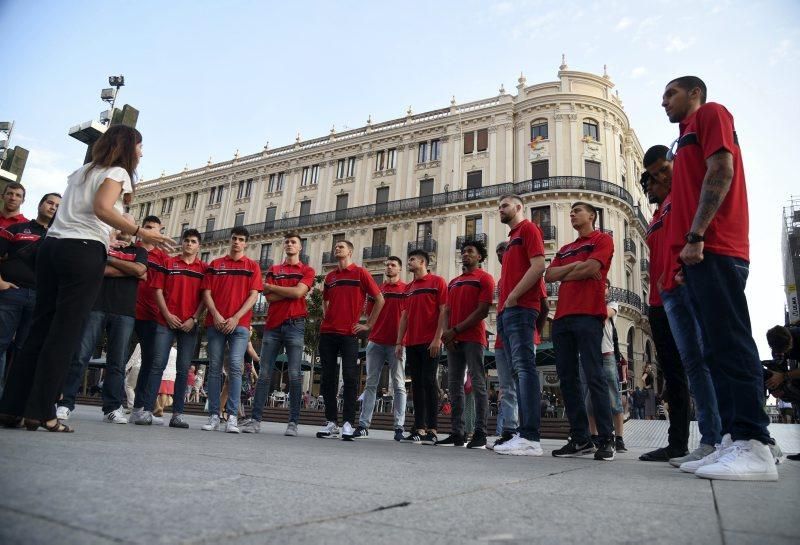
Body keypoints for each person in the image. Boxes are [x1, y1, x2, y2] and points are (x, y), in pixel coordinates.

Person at [0, 125, 173, 432]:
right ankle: (42, 412)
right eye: (140, 147)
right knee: (65, 333)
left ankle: (12, 408)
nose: (142, 153)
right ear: (127, 146)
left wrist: (116, 232)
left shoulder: (81, 172)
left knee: (39, 330)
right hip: (82, 251)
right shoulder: (118, 172)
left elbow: (86, 211)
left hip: (53, 247)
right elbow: (102, 208)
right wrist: (140, 233)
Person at [660, 75, 776, 480]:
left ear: (694, 93)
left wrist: (696, 236)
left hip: (717, 247)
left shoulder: (711, 113)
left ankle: (754, 444)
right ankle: (731, 438)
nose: (664, 103)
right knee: (712, 350)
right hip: (698, 256)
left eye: (670, 94)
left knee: (730, 343)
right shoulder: (684, 136)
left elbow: (721, 170)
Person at [640, 145, 706, 464]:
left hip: (677, 292)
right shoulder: (655, 214)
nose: (650, 187)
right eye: (649, 182)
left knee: (692, 366)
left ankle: (706, 438)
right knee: (674, 374)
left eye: (653, 181)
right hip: (657, 300)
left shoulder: (675, 201)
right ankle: (677, 442)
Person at [57, 219, 148, 424]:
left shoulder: (140, 251)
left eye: (129, 223)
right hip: (95, 306)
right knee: (80, 356)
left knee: (118, 362)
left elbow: (140, 271)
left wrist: (109, 260)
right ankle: (65, 403)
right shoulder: (100, 245)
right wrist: (126, 268)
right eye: (121, 221)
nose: (124, 226)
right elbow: (95, 270)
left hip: (124, 311)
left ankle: (113, 407)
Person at [547, 201, 616, 461]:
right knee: (567, 379)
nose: (572, 214)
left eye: (577, 210)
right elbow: (550, 275)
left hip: (589, 315)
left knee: (595, 376)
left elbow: (593, 268)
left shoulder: (603, 240)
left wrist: (574, 270)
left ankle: (606, 439)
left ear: (592, 216)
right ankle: (580, 439)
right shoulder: (564, 248)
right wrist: (577, 269)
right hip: (562, 318)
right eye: (571, 211)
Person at [242, 232, 315, 436]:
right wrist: (288, 290)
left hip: (295, 324)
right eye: (287, 242)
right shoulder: (274, 269)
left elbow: (298, 293)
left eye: (294, 242)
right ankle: (255, 420)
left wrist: (276, 288)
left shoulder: (307, 270)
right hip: (272, 325)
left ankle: (293, 423)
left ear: (300, 247)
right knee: (264, 374)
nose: (290, 244)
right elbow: (268, 297)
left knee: (294, 375)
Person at [492, 195, 547, 456]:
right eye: (499, 206)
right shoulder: (513, 238)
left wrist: (513, 296)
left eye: (504, 205)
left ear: (518, 207)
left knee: (525, 370)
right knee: (516, 375)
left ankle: (531, 437)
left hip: (521, 308)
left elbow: (539, 266)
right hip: (507, 312)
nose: (500, 209)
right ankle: (520, 434)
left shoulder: (528, 229)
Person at [317, 240, 383, 440]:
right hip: (327, 332)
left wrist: (368, 325)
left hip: (349, 333)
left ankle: (347, 423)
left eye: (341, 247)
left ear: (350, 252)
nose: (337, 249)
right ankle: (331, 422)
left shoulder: (361, 273)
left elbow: (379, 299)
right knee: (327, 378)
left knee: (350, 377)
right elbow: (324, 299)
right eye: (335, 247)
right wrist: (326, 314)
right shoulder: (330, 276)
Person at [142, 228, 207, 429]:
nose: (189, 243)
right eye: (186, 240)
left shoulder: (203, 269)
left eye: (193, 241)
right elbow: (157, 290)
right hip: (165, 321)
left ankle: (177, 414)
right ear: (182, 243)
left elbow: (205, 297)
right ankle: (146, 411)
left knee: (182, 369)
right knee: (157, 365)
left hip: (189, 324)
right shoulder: (168, 263)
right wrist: (167, 315)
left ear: (199, 246)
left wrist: (194, 319)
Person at [200, 227, 263, 434]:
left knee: (236, 367)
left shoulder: (252, 266)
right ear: (230, 241)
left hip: (240, 325)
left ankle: (233, 416)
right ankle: (214, 416)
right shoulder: (215, 264)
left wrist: (236, 317)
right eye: (234, 238)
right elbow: (206, 293)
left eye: (241, 239)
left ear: (246, 243)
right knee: (215, 367)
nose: (237, 242)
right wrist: (216, 315)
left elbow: (254, 295)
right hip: (215, 323)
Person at [0, 192, 60, 398]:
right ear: (40, 204)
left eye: (57, 206)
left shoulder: (60, 236)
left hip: (40, 298)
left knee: (26, 349)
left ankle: (13, 400)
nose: (53, 207)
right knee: (1, 343)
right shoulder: (16, 229)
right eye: (49, 203)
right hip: (12, 292)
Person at [437, 240, 494, 449]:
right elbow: (447, 311)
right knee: (453, 386)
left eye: (470, 251)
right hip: (453, 339)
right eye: (463, 252)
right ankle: (457, 433)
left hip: (473, 338)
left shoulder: (485, 278)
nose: (465, 254)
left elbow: (483, 310)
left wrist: (455, 331)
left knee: (478, 384)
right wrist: (446, 334)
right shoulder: (453, 282)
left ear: (480, 256)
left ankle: (480, 432)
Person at [350, 256, 407, 441]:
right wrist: (369, 327)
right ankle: (364, 425)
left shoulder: (406, 289)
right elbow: (369, 314)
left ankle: (399, 426)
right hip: (375, 341)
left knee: (399, 385)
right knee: (370, 384)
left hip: (397, 343)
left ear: (399, 269)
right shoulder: (377, 290)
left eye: (393, 265)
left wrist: (402, 340)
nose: (389, 268)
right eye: (387, 265)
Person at [395, 249, 446, 445]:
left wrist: (437, 338)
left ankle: (432, 428)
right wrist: (400, 342)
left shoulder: (437, 282)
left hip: (430, 341)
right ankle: (419, 427)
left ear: (423, 262)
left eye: (412, 259)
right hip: (412, 342)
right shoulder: (408, 288)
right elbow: (405, 317)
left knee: (429, 381)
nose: (409, 262)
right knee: (416, 384)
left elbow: (443, 311)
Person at [129, 215, 169, 425]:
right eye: (148, 227)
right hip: (125, 309)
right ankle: (113, 406)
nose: (152, 231)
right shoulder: (130, 248)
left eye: (156, 229)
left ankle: (140, 407)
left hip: (151, 315)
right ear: (142, 229)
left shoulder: (163, 258)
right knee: (118, 360)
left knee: (149, 363)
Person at [582, 279, 626, 452]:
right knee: (589, 401)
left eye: (605, 286)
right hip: (588, 355)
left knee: (614, 399)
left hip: (606, 355)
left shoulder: (613, 304)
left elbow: (603, 314)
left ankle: (620, 438)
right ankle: (593, 437)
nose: (602, 288)